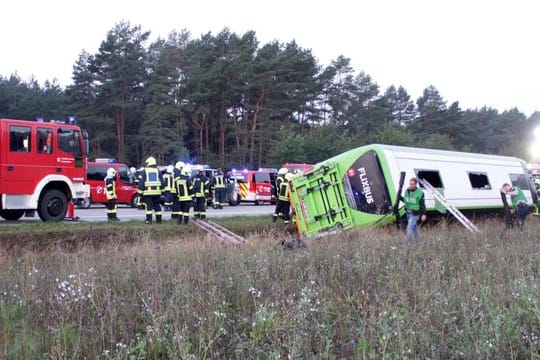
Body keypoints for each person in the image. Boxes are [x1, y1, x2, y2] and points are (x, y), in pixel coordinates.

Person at [400, 177, 427, 242]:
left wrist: (424, 214)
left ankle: (406, 243)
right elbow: (406, 200)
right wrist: (399, 197)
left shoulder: (420, 193)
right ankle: (419, 241)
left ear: (415, 184)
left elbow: (422, 204)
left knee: (409, 228)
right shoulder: (407, 191)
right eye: (410, 184)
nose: (411, 185)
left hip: (415, 214)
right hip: (408, 213)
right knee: (414, 229)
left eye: (412, 184)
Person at [138, 156, 164, 224]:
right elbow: (162, 182)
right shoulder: (158, 171)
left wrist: (140, 193)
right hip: (157, 193)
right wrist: (163, 192)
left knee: (149, 208)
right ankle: (159, 221)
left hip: (147, 193)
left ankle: (149, 221)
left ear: (149, 163)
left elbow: (141, 183)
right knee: (157, 207)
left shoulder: (145, 171)